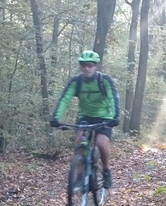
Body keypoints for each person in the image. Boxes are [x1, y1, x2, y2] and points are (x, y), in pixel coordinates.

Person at [50, 50, 120, 189]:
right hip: (85, 117)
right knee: (79, 143)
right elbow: (65, 99)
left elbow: (113, 98)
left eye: (90, 65)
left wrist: (115, 117)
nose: (87, 68)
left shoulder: (104, 80)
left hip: (104, 118)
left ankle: (106, 171)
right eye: (83, 65)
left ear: (95, 66)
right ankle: (81, 176)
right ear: (81, 67)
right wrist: (56, 118)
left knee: (101, 142)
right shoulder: (76, 81)